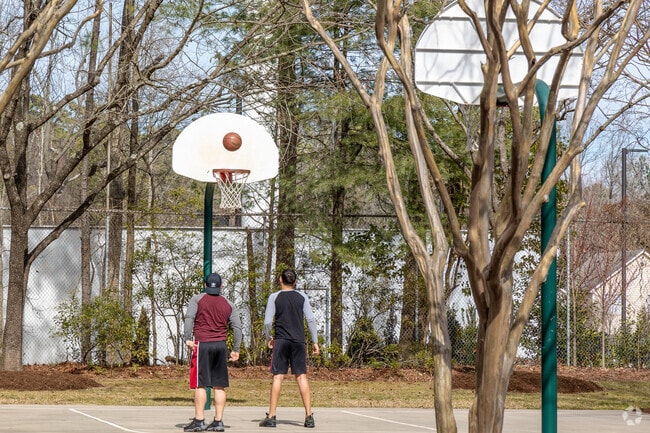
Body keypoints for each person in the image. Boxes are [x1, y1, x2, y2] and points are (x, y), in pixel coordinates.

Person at [259, 269, 320, 428]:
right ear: (295, 282)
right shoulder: (302, 297)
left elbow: (267, 322)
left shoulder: (274, 297)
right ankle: (309, 416)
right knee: (301, 377)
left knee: (278, 377)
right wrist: (315, 341)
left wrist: (269, 338)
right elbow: (311, 320)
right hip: (298, 341)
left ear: (280, 280)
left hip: (281, 341)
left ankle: (271, 417)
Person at [183, 273, 242, 432]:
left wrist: (187, 338)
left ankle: (199, 420)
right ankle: (218, 421)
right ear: (221, 286)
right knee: (219, 386)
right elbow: (237, 327)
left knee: (201, 384)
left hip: (202, 345)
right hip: (220, 346)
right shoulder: (229, 304)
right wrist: (236, 349)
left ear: (205, 285)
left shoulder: (197, 299)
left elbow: (189, 317)